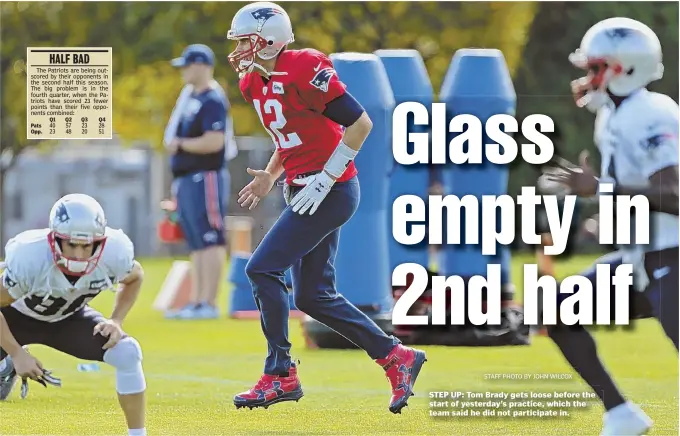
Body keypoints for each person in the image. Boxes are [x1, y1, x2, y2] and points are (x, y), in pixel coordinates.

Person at [226, 1, 426, 414]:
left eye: (246, 40)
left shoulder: (303, 66)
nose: (240, 50)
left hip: (330, 189)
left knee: (260, 268)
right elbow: (292, 134)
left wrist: (326, 176)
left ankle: (279, 373)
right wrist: (270, 173)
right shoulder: (253, 83)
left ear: (268, 39)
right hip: (302, 187)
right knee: (314, 297)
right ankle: (396, 357)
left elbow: (360, 123)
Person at [542, 17, 678, 436]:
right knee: (558, 306)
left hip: (673, 257)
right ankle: (620, 414)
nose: (587, 78)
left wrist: (600, 187)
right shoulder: (612, 117)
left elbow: (673, 193)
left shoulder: (654, 112)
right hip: (643, 257)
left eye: (595, 68)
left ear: (626, 68)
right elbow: (636, 193)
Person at [0, 194, 147, 436]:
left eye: (86, 245)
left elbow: (135, 277)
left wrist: (116, 320)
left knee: (128, 352)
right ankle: (6, 364)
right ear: (54, 239)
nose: (79, 255)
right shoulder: (31, 256)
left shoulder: (114, 253)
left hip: (68, 319)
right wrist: (16, 352)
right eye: (71, 244)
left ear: (99, 242)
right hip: (15, 318)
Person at [164, 44, 232, 320]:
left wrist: (181, 144)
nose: (184, 71)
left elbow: (215, 141)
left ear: (202, 65)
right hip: (187, 179)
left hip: (206, 177)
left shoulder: (212, 100)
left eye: (188, 65)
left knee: (210, 238)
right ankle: (197, 299)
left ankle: (209, 302)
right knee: (195, 241)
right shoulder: (190, 98)